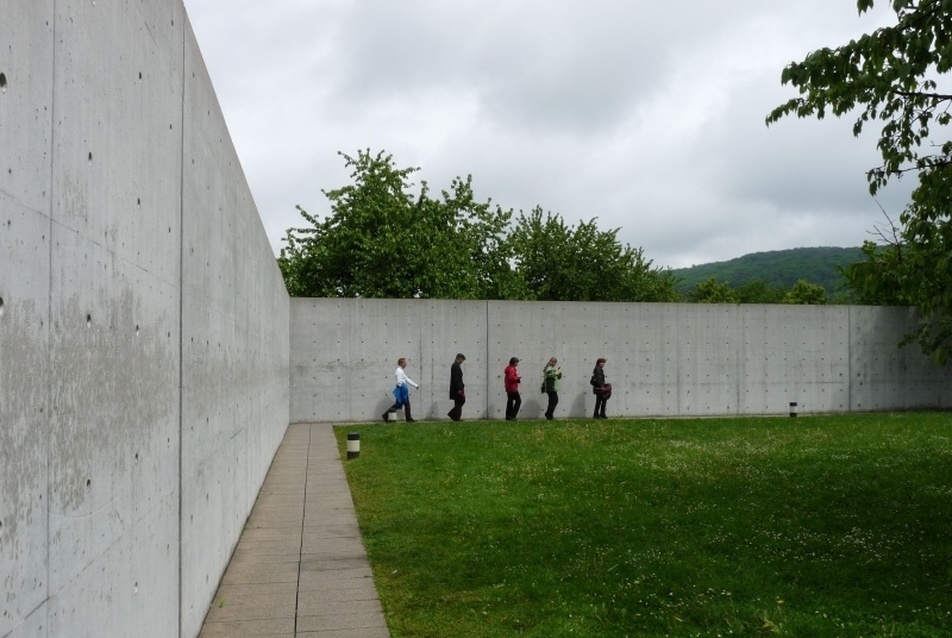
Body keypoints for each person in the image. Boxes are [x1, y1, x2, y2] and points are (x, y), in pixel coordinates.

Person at [382, 357, 420, 422]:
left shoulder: (401, 370)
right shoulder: (399, 371)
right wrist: (400, 389)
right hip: (402, 389)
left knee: (403, 404)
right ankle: (408, 418)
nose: (406, 364)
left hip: (402, 389)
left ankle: (386, 415)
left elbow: (407, 379)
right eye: (405, 363)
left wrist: (415, 385)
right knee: (400, 404)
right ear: (401, 363)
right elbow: (399, 381)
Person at [447, 353, 466, 421]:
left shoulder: (455, 365)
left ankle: (456, 416)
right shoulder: (455, 366)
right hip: (457, 389)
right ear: (459, 358)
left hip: (457, 388)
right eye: (462, 360)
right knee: (461, 401)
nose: (462, 362)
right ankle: (453, 414)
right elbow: (456, 378)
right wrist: (459, 389)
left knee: (458, 402)